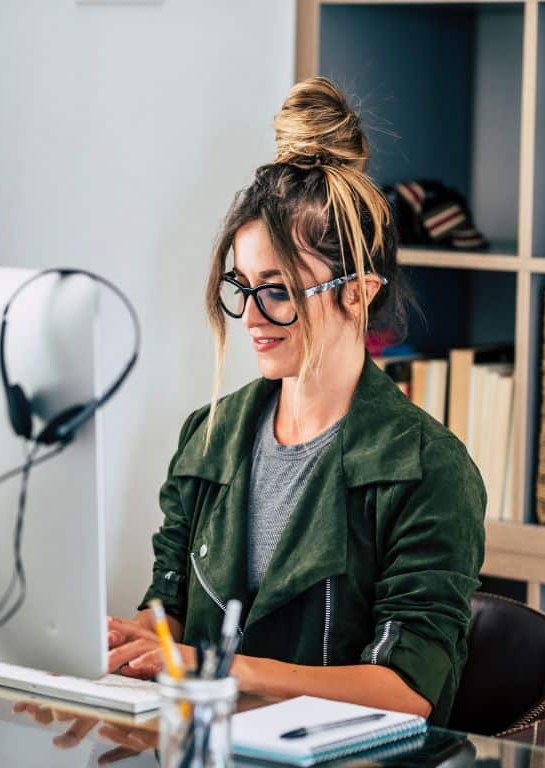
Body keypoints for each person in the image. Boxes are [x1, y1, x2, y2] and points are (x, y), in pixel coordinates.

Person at [105, 77, 485, 727]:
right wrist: (123, 640)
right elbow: (166, 615)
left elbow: (409, 689)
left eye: (277, 291)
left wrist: (225, 669)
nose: (252, 316)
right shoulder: (209, 437)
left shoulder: (429, 469)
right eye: (241, 286)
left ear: (358, 292)